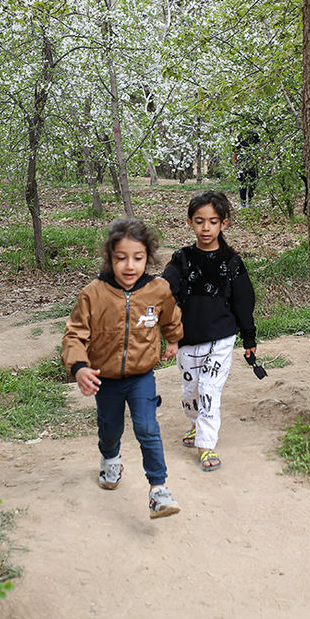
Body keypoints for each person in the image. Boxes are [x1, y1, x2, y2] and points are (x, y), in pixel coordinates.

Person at [63, 218, 184, 519]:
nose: (130, 266)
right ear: (110, 259)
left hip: (142, 375)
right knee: (111, 428)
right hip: (106, 380)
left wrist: (173, 339)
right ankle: (110, 457)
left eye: (138, 258)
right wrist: (79, 367)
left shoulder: (158, 290)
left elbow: (170, 316)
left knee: (147, 428)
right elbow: (75, 333)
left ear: (148, 258)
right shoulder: (94, 293)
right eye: (121, 258)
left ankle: (159, 490)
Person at [161, 190, 257, 473]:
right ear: (190, 223)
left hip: (222, 337)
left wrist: (248, 337)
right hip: (187, 339)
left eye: (213, 221)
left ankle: (206, 445)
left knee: (209, 389)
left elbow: (244, 302)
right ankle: (195, 424)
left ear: (223, 224)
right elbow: (167, 289)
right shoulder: (182, 259)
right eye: (200, 221)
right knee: (191, 391)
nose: (206, 228)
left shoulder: (232, 262)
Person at [234, 130, 261, 208]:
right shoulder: (240, 136)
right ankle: (243, 203)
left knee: (252, 184)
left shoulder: (255, 135)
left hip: (253, 164)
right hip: (242, 165)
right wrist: (236, 165)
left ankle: (250, 201)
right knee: (242, 184)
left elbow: (260, 149)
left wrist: (261, 161)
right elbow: (235, 151)